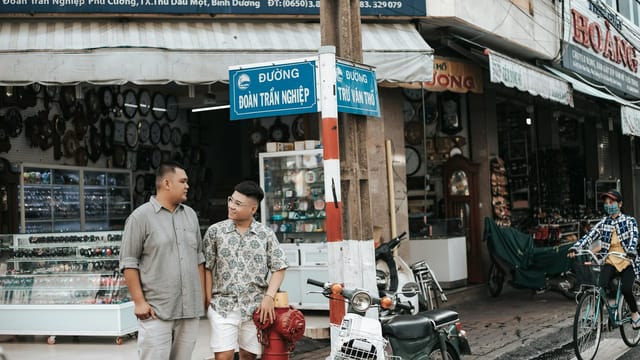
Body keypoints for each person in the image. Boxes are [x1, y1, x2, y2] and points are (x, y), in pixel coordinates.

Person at [119, 161, 205, 360]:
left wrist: (200, 297)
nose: (187, 186)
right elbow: (128, 262)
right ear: (167, 183)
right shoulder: (140, 218)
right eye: (183, 181)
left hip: (189, 310)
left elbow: (199, 258)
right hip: (157, 310)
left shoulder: (190, 215)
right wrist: (139, 302)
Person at [203, 180, 288, 360]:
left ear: (253, 209)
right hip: (223, 305)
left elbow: (279, 267)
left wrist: (268, 297)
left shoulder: (266, 235)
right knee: (223, 356)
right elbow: (207, 267)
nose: (232, 206)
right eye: (231, 200)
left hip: (255, 307)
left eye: (238, 204)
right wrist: (208, 300)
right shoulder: (215, 232)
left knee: (248, 355)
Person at [568, 189, 640, 329]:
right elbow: (589, 236)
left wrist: (631, 250)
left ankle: (634, 314)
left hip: (627, 260)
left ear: (620, 204)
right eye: (606, 203)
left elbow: (634, 237)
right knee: (599, 286)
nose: (608, 205)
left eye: (611, 202)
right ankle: (597, 317)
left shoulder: (629, 221)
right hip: (610, 261)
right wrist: (576, 247)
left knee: (626, 289)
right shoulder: (603, 223)